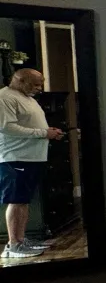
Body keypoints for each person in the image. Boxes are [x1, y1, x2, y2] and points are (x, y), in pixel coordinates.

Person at [0, 69, 64, 258]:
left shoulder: (27, 98)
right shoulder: (5, 97)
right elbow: (6, 127)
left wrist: (48, 131)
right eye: (35, 84)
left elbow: (29, 124)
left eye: (40, 84)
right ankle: (13, 245)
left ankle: (21, 239)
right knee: (16, 200)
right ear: (20, 80)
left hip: (31, 157)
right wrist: (43, 133)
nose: (39, 88)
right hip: (15, 157)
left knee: (24, 201)